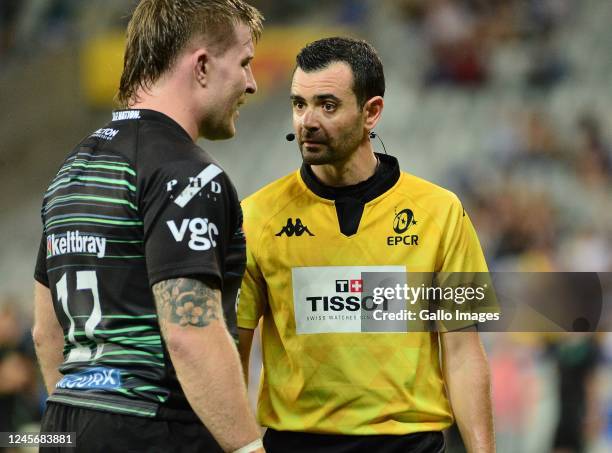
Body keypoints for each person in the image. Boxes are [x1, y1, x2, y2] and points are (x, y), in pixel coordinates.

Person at [237, 37, 495, 453]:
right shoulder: (255, 216)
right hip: (296, 444)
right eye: (299, 104)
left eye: (328, 104)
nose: (307, 120)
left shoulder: (442, 213)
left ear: (371, 111)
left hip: (410, 445)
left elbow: (464, 352)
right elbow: (235, 349)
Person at [32, 1, 265, 452]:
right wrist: (247, 447)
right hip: (155, 428)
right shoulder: (188, 175)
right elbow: (188, 332)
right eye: (245, 63)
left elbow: (47, 333)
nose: (252, 83)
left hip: (64, 428)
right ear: (201, 66)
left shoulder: (73, 168)